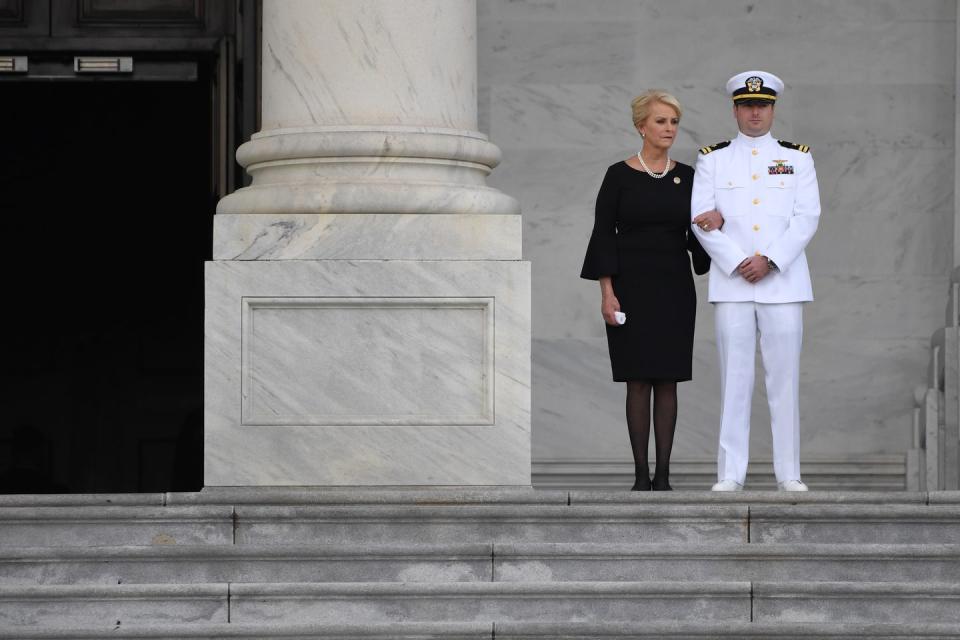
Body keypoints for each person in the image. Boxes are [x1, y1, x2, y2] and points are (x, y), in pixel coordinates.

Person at [690, 70, 821, 492]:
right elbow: (701, 220)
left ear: (773, 108)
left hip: (783, 284)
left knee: (784, 382)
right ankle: (730, 473)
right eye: (747, 106)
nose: (755, 113)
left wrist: (770, 260)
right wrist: (739, 262)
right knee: (736, 381)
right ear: (735, 109)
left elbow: (807, 218)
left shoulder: (797, 157)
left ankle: (789, 473)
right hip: (733, 286)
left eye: (762, 105)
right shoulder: (713, 157)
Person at [581, 90, 715, 491]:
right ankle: (641, 477)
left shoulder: (690, 176)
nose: (669, 129)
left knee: (668, 379)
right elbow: (603, 234)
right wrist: (607, 292)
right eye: (661, 121)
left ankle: (664, 477)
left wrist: (714, 231)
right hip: (630, 286)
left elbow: (696, 233)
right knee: (637, 379)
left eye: (674, 122)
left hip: (674, 285)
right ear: (641, 126)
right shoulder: (618, 175)